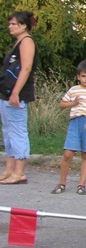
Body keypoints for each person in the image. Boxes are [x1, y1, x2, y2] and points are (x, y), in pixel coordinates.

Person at [52, 61, 86, 195]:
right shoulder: (74, 90)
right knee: (68, 154)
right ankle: (61, 183)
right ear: (78, 77)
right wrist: (73, 103)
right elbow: (62, 104)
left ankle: (81, 185)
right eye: (83, 76)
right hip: (75, 122)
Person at [0, 11, 38, 185]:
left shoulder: (27, 42)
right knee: (8, 132)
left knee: (17, 131)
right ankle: (9, 169)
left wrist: (16, 92)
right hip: (6, 93)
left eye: (14, 24)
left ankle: (19, 172)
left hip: (17, 94)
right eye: (10, 23)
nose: (10, 26)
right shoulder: (18, 42)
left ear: (23, 25)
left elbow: (26, 68)